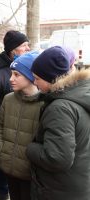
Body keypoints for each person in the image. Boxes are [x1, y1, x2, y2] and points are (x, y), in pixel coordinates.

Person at [26, 46, 90, 200]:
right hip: (77, 185)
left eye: (38, 78)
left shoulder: (60, 108)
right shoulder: (81, 94)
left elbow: (57, 158)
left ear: (52, 78)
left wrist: (30, 148)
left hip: (59, 190)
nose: (34, 82)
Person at [0, 30, 30, 200]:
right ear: (13, 50)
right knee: (3, 164)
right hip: (4, 127)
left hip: (25, 126)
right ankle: (1, 192)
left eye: (27, 44)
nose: (27, 48)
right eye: (23, 45)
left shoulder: (29, 66)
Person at [0, 52, 42, 200]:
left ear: (30, 76)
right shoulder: (8, 99)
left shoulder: (44, 104)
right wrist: (0, 150)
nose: (11, 79)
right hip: (9, 169)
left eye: (16, 74)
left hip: (31, 174)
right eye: (11, 74)